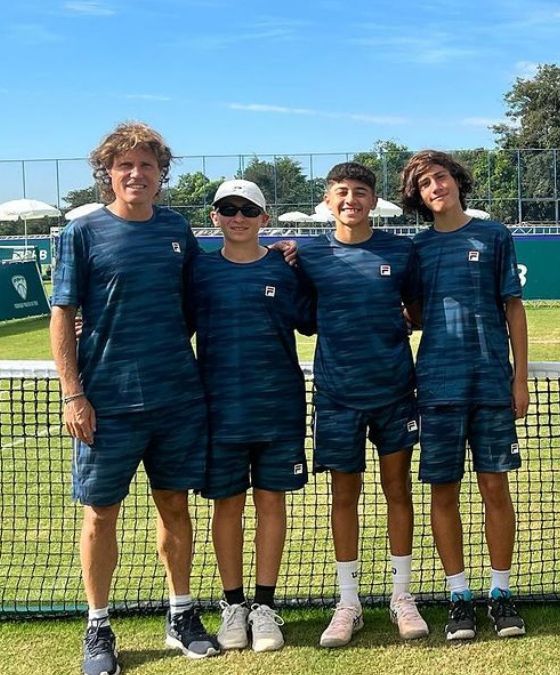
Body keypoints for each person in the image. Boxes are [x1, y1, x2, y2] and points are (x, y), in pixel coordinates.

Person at [50, 122, 219, 675]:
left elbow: (193, 300)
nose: (136, 174)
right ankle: (98, 626)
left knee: (175, 506)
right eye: (125, 165)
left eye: (147, 165)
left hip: (177, 400)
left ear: (160, 174)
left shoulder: (176, 229)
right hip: (105, 405)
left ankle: (181, 615)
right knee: (101, 515)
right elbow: (63, 315)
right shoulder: (81, 233)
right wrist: (74, 393)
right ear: (108, 172)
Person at [295, 162, 429, 647]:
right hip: (336, 398)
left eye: (359, 192)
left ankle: (402, 597)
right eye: (341, 192)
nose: (350, 199)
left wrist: (401, 320)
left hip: (395, 392)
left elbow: (417, 311)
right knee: (343, 497)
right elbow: (305, 319)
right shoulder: (308, 254)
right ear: (327, 201)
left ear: (373, 200)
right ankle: (347, 603)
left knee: (398, 491)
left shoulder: (401, 250)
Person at [400, 150, 529, 641]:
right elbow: (414, 312)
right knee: (444, 492)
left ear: (457, 180)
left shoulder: (494, 235)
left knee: (496, 488)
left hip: (492, 383)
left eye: (441, 177)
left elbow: (513, 308)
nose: (436, 187)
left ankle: (501, 593)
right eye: (425, 184)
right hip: (436, 386)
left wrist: (519, 378)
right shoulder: (416, 249)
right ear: (419, 197)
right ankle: (458, 597)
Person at [190, 179, 314, 653]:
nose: (238, 217)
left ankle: (264, 607)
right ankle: (233, 607)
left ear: (265, 218)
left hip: (278, 407)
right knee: (227, 506)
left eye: (248, 209)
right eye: (228, 209)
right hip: (218, 410)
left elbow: (314, 318)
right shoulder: (199, 270)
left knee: (270, 504)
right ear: (215, 217)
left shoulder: (287, 269)